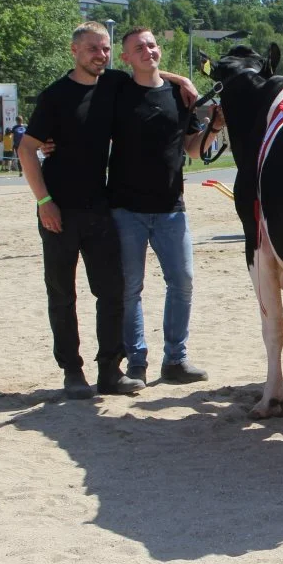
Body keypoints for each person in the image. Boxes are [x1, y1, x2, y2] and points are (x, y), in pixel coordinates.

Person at [16, 22, 148, 398]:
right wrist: (44, 202)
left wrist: (183, 82)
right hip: (58, 211)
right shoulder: (55, 96)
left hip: (100, 208)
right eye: (93, 49)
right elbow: (28, 149)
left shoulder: (114, 85)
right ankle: (72, 372)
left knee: (112, 292)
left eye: (105, 49)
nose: (101, 55)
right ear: (74, 50)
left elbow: (148, 72)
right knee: (62, 294)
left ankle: (111, 371)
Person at [110, 27, 220, 383]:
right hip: (126, 209)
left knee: (183, 282)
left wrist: (214, 129)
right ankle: (136, 362)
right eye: (138, 47)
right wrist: (184, 75)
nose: (148, 51)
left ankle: (175, 359)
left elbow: (191, 148)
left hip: (172, 207)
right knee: (130, 289)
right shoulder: (117, 90)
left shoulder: (178, 95)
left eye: (152, 45)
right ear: (125, 57)